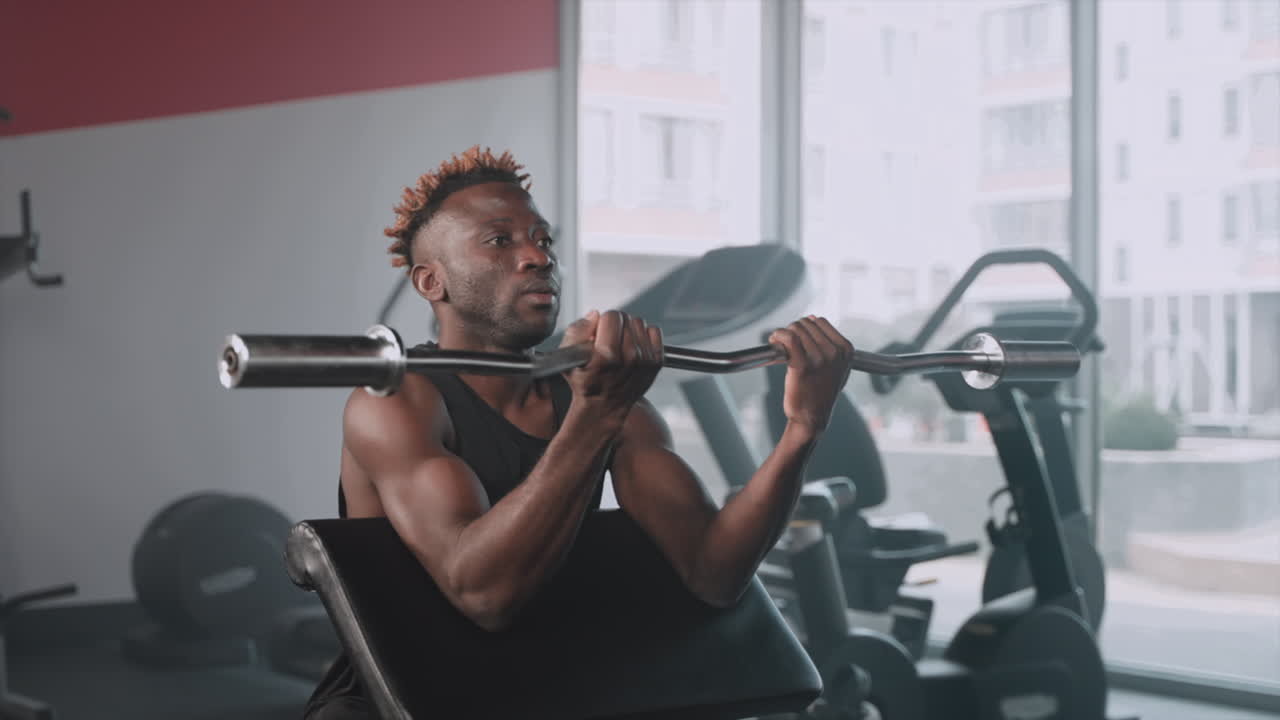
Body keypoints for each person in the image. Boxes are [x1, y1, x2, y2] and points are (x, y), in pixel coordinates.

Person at [303, 146, 854, 719]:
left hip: (542, 686)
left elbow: (715, 573)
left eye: (542, 239)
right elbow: (483, 593)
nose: (537, 257)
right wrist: (596, 412)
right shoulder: (396, 399)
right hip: (400, 698)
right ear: (431, 281)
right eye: (500, 241)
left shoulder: (596, 397)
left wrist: (803, 428)